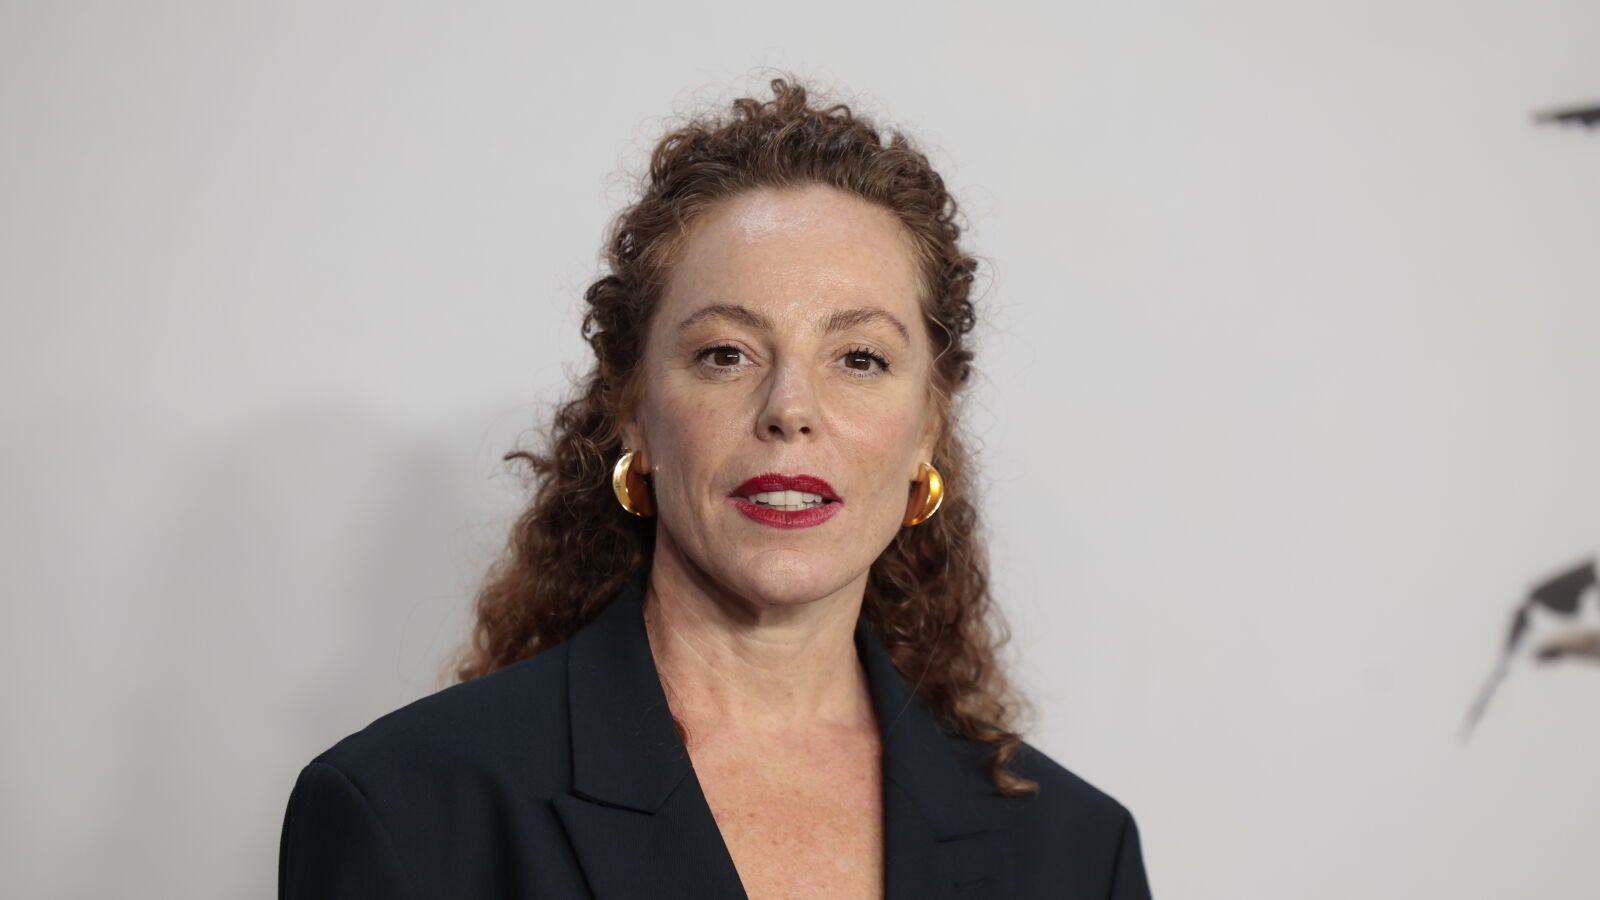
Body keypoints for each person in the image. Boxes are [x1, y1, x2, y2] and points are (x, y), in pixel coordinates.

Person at [278, 76, 1153, 900]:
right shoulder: (406, 809)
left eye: (859, 358)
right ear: (633, 410)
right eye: (725, 354)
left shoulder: (1078, 853)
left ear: (929, 426)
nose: (789, 409)